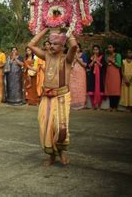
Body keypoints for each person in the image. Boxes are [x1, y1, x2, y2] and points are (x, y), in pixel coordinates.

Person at [28, 27, 77, 166]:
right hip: (46, 97)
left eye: (55, 44)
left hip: (61, 97)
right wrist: (45, 29)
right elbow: (30, 45)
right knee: (45, 127)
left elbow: (74, 46)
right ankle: (51, 156)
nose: (51, 46)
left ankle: (62, 152)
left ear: (62, 46)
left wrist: (69, 30)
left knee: (60, 127)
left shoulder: (66, 59)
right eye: (50, 43)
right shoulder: (47, 56)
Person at [70, 43, 88, 110]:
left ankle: (81, 104)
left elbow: (85, 65)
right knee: (73, 88)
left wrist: (77, 58)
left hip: (81, 73)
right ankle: (72, 103)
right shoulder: (71, 55)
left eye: (77, 47)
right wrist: (74, 60)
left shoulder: (83, 55)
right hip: (72, 74)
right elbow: (70, 65)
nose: (76, 49)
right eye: (75, 48)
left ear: (80, 48)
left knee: (81, 87)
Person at [105, 44, 121, 112]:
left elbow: (119, 65)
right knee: (110, 90)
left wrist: (112, 61)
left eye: (110, 47)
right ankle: (111, 106)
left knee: (115, 90)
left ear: (114, 48)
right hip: (109, 74)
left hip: (115, 74)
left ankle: (115, 107)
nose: (109, 49)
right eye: (108, 47)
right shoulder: (108, 56)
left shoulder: (117, 55)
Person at [87, 45, 105, 110]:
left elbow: (102, 66)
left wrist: (97, 61)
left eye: (96, 49)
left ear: (99, 50)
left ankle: (98, 105)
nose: (95, 51)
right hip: (92, 75)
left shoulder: (102, 57)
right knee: (92, 90)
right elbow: (89, 66)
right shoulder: (91, 57)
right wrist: (93, 61)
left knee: (99, 89)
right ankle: (93, 105)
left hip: (99, 75)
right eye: (94, 49)